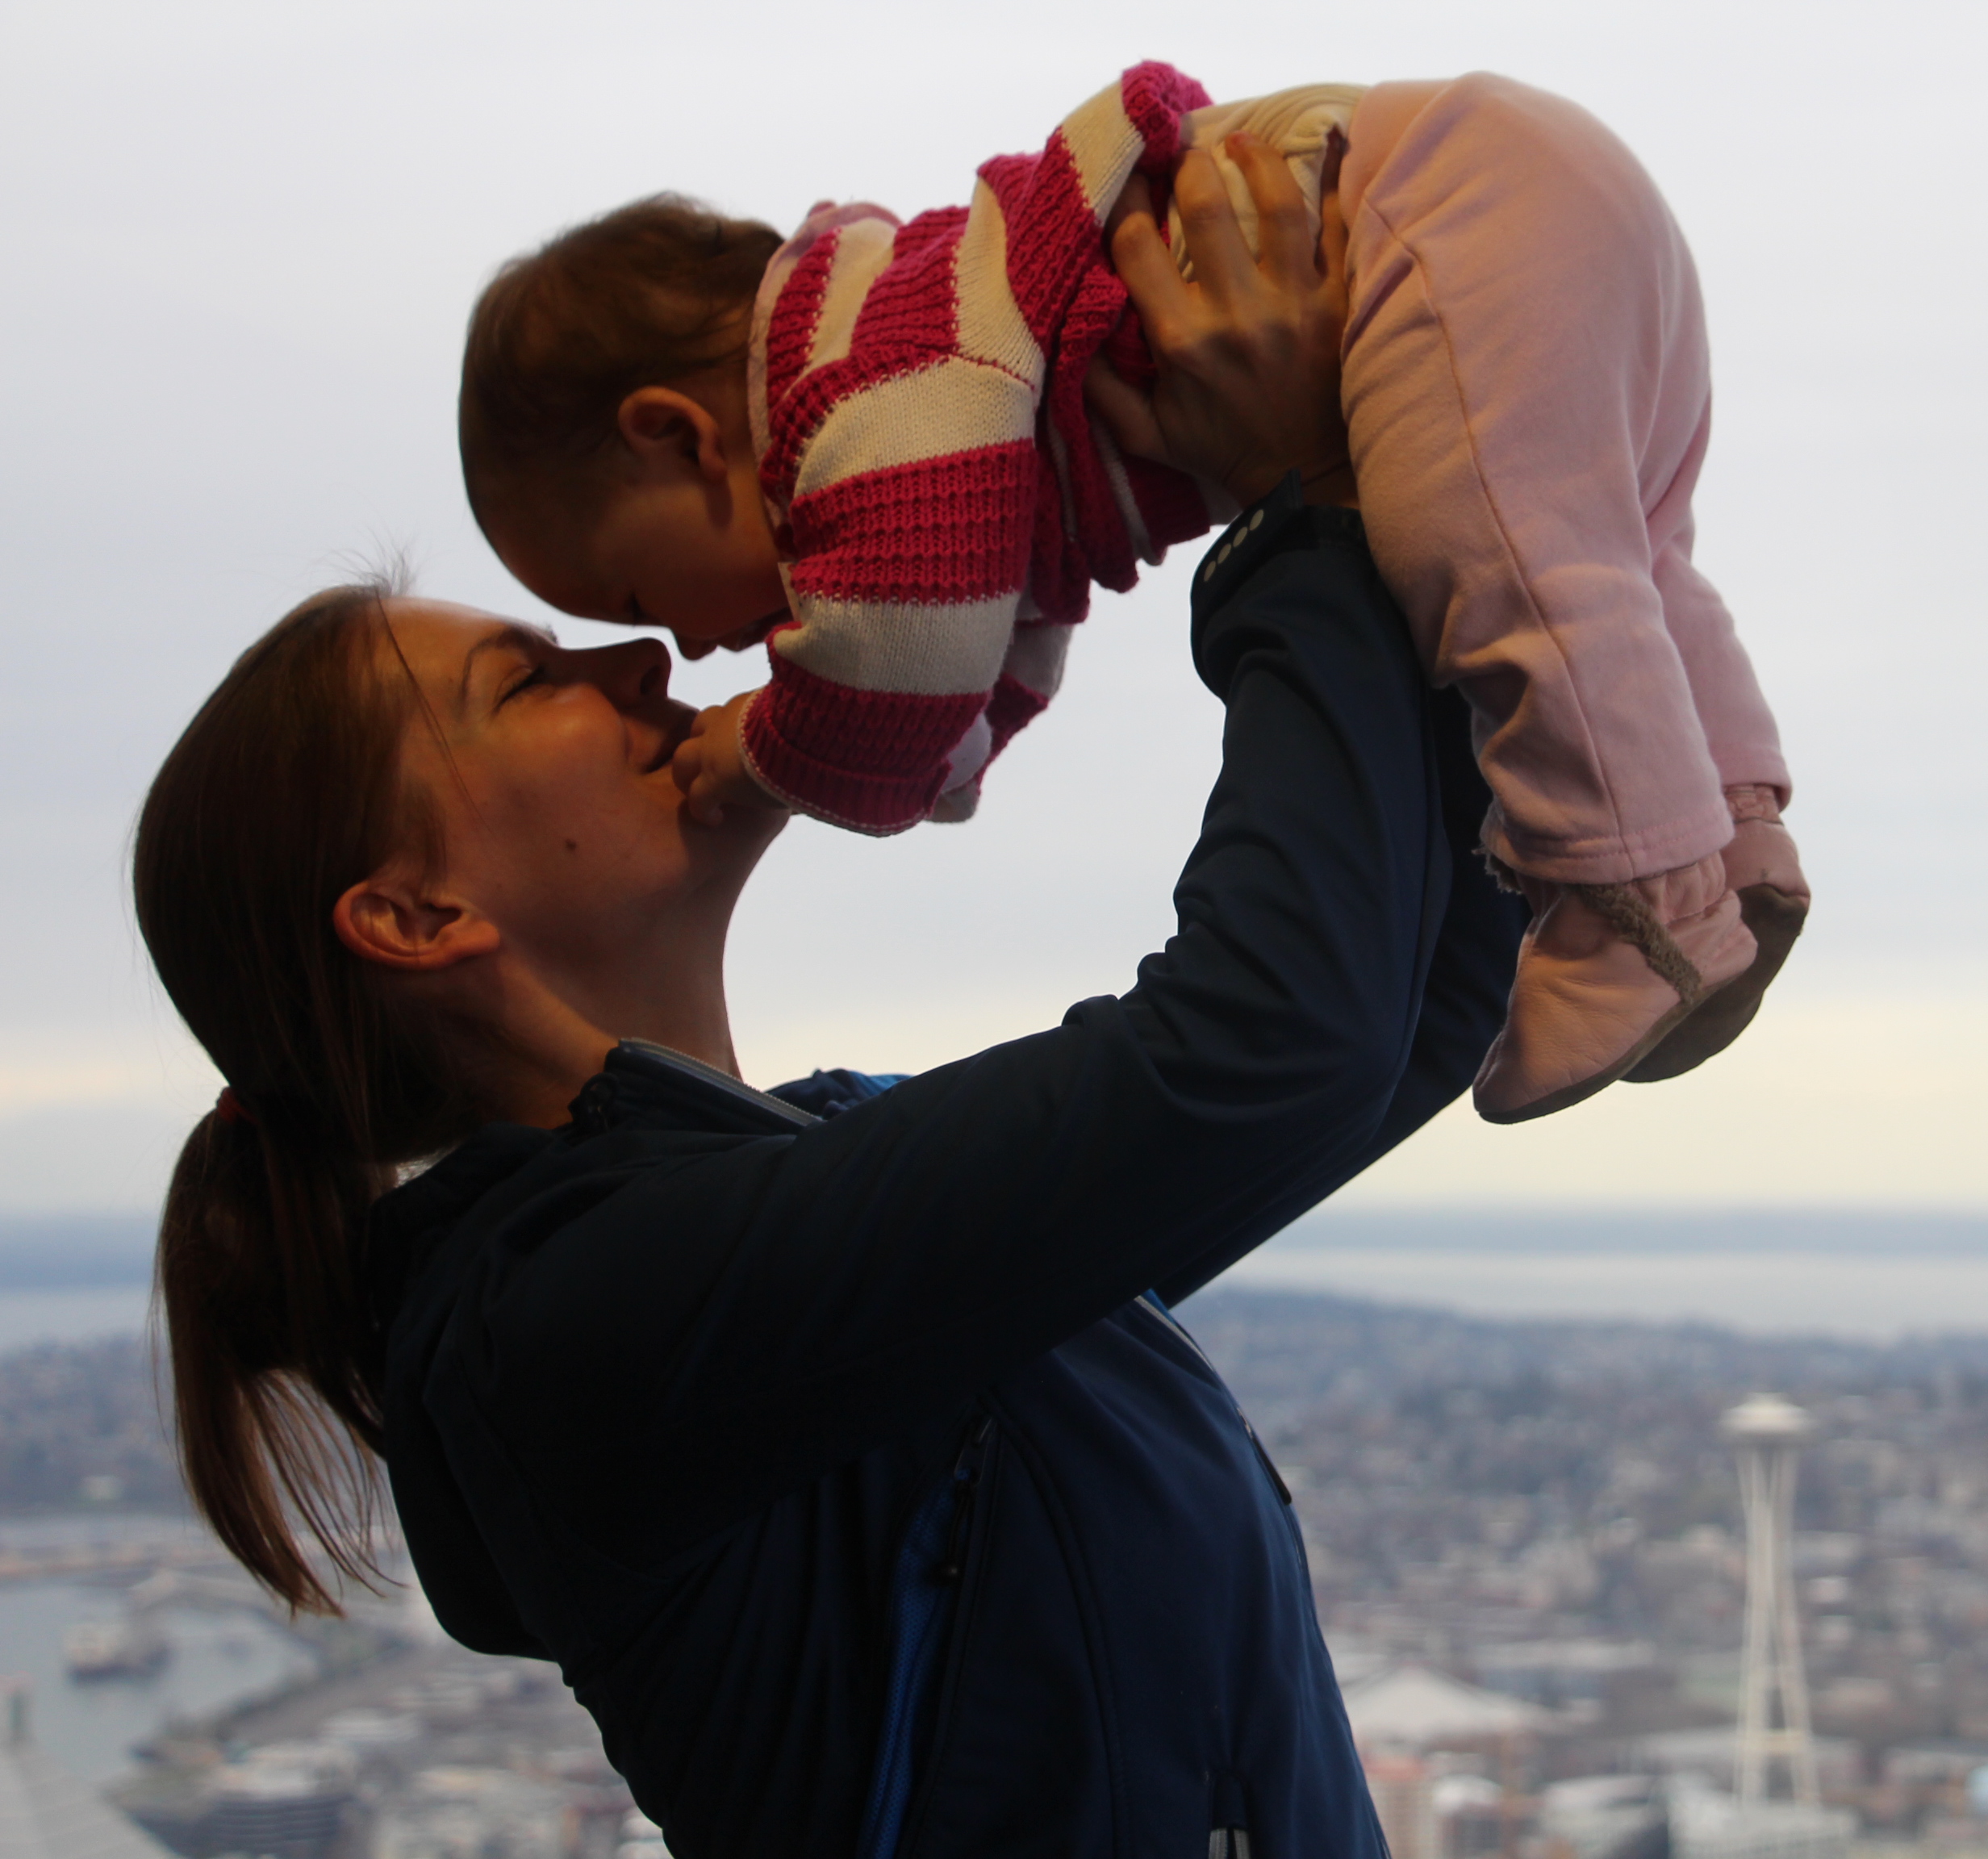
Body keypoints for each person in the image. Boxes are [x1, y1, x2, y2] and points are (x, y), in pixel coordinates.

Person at [136, 152, 1522, 1857]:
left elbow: (1403, 1018)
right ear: (419, 918)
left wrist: (1399, 498)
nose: (648, 661)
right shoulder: (565, 1325)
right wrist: (1296, 497)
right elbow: (1276, 1047)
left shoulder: (799, 1167)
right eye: (534, 677)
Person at [457, 66, 1810, 1127]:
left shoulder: (859, 384)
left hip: (1441, 211)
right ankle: (1739, 846)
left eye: (637, 594)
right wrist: (934, 748)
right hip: (1521, 194)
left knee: (1508, 568)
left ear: (677, 437)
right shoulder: (933, 379)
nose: (691, 647)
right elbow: (971, 651)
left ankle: (1636, 909)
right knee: (1623, 553)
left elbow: (904, 651)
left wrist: (767, 756)